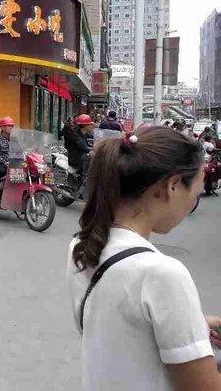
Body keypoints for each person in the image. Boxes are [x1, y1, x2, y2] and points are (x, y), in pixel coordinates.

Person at [67, 127, 221, 390]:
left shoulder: (82, 247)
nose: (190, 207)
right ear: (172, 186)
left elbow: (119, 324)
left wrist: (196, 322)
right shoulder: (162, 273)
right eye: (194, 197)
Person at [66, 114, 95, 179]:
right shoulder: (74, 133)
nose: (92, 126)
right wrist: (90, 151)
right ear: (85, 125)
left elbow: (92, 141)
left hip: (84, 159)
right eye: (90, 124)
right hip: (76, 161)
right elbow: (81, 145)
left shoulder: (86, 133)